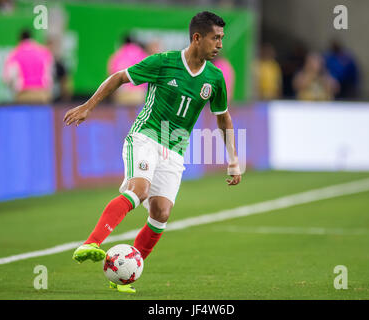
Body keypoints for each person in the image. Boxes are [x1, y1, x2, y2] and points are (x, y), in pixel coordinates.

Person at [63, 11, 242, 293]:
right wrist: (89, 105)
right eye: (215, 38)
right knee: (139, 190)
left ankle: (126, 275)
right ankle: (92, 242)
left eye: (222, 38)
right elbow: (120, 77)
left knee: (161, 213)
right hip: (145, 136)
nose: (220, 44)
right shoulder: (164, 62)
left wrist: (232, 159)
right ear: (197, 38)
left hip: (176, 149)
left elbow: (223, 117)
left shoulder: (215, 77)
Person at [3, 29, 53, 104]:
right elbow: (50, 73)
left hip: (24, 95)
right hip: (43, 94)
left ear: (20, 39)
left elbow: (9, 78)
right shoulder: (44, 52)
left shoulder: (14, 54)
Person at [107, 35, 148, 107]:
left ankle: (121, 117)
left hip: (122, 94)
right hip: (139, 95)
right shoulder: (141, 53)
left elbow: (111, 75)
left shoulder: (118, 54)